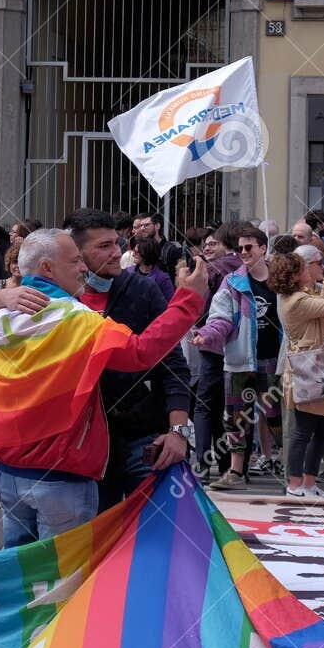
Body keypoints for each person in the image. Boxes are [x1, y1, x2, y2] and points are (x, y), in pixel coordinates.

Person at [0, 228, 204, 545]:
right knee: (64, 579)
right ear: (47, 269)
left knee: (21, 575)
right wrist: (189, 300)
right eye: (75, 260)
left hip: (8, 474)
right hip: (61, 477)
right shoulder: (75, 318)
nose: (83, 268)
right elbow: (140, 353)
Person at [66, 209, 196, 507]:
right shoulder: (59, 300)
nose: (117, 253)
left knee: (158, 537)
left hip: (144, 440)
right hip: (84, 448)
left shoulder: (143, 289)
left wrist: (179, 433)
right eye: (103, 246)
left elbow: (174, 365)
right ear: (77, 253)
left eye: (117, 243)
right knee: (95, 542)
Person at [195, 223, 282, 488]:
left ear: (263, 249)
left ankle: (289, 466)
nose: (244, 252)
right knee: (236, 418)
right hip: (239, 362)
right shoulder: (232, 282)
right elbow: (221, 317)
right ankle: (235, 472)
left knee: (276, 417)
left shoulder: (279, 280)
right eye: (241, 248)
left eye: (249, 248)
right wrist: (207, 334)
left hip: (273, 361)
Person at [276, 243, 324, 498]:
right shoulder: (297, 301)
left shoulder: (301, 295)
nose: (318, 268)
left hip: (317, 366)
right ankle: (296, 484)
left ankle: (308, 483)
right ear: (297, 273)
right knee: (304, 428)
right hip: (309, 369)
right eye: (313, 265)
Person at [192, 223, 243, 476]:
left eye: (213, 243)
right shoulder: (251, 268)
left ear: (226, 244)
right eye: (206, 244)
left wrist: (199, 327)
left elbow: (199, 305)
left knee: (204, 405)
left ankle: (201, 464)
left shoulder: (213, 270)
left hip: (212, 344)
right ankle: (230, 467)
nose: (208, 248)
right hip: (239, 349)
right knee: (231, 408)